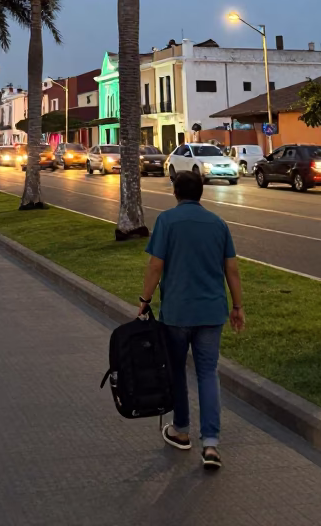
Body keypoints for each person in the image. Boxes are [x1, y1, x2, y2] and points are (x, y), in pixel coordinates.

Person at [138, 170, 244, 470]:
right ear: (202, 193)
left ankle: (181, 430)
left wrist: (144, 301)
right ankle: (211, 444)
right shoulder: (218, 224)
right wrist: (238, 306)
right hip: (211, 312)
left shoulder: (166, 221)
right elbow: (232, 270)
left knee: (176, 372)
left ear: (175, 192)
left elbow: (156, 266)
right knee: (208, 373)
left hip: (176, 313)